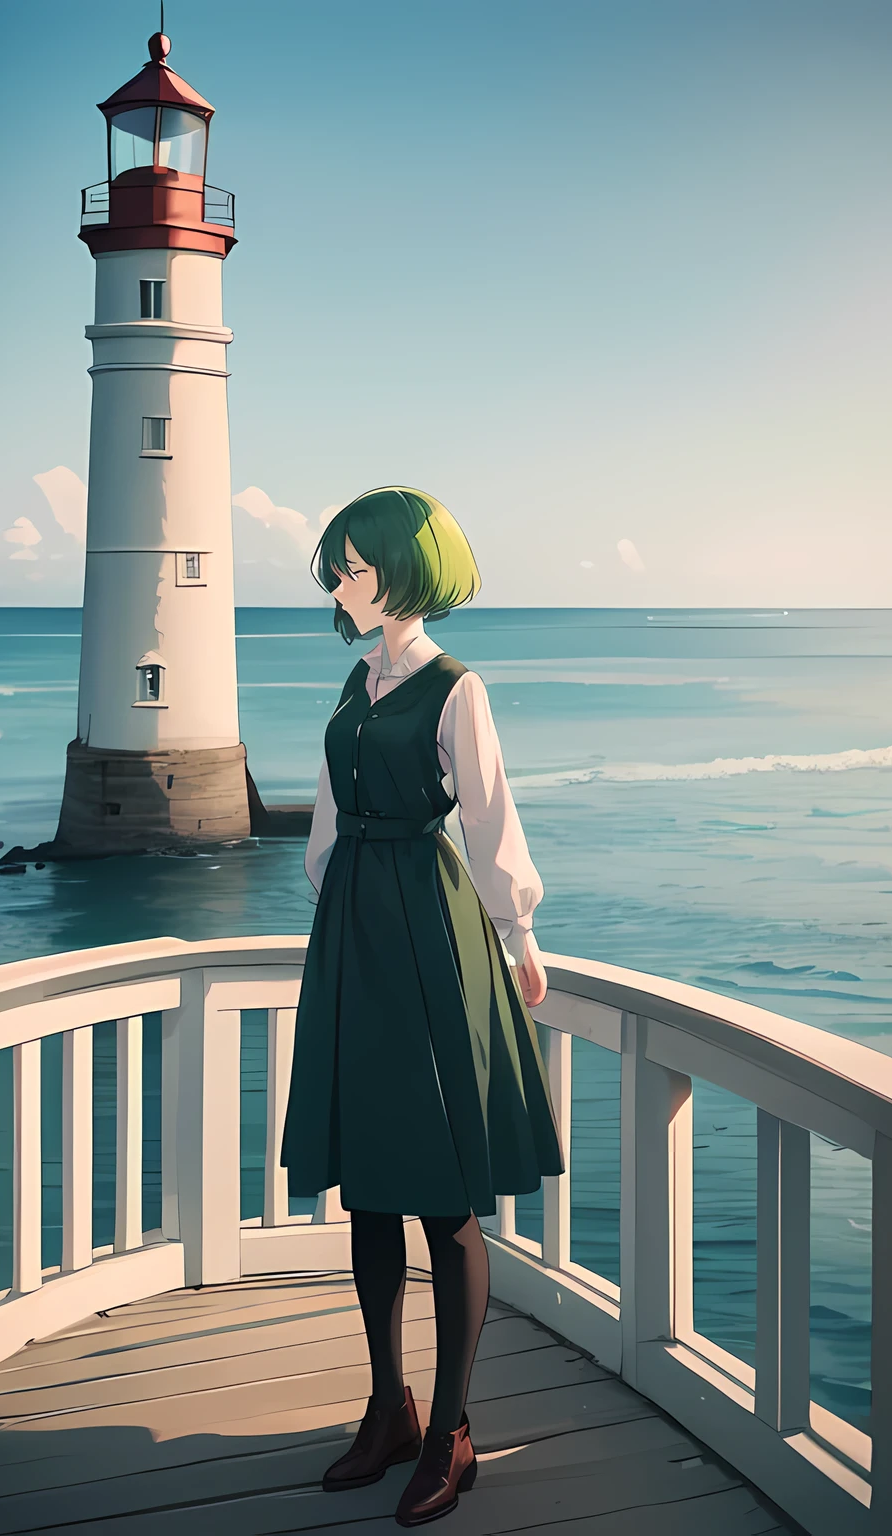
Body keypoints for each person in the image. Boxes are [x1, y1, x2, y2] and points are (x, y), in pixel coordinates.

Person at [279, 486, 564, 1527]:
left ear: (405, 571)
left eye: (355, 568)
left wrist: (521, 937)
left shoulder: (455, 686)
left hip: (430, 934)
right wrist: (334, 904)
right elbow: (323, 822)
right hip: (357, 933)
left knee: (441, 1198)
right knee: (367, 1190)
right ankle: (386, 1407)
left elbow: (489, 821)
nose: (341, 587)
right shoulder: (357, 684)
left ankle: (451, 1427)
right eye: (339, 569)